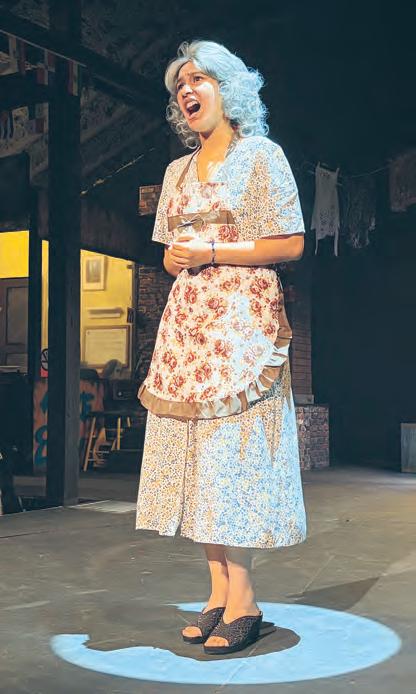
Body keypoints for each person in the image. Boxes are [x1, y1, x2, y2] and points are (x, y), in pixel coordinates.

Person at [136, 39, 307, 655]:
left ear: (228, 89)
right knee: (198, 461)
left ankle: (246, 601)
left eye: (199, 79)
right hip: (191, 330)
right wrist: (182, 256)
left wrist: (211, 250)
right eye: (180, 85)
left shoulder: (261, 156)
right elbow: (167, 253)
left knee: (234, 461)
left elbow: (290, 243)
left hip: (243, 324)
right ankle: (216, 595)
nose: (187, 91)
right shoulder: (176, 173)